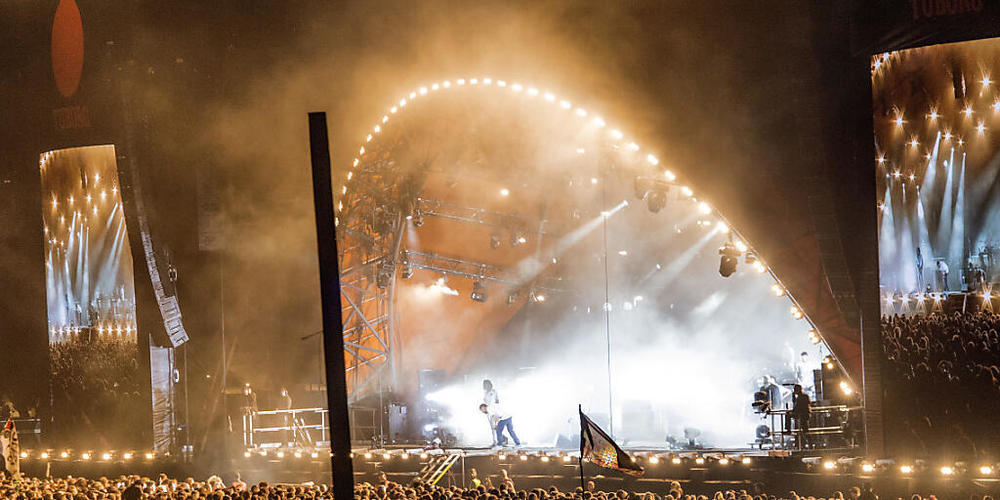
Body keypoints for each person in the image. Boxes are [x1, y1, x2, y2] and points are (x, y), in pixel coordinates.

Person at [790, 384, 811, 449]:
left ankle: (808, 443)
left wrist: (793, 412)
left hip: (803, 414)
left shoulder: (802, 397)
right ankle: (807, 443)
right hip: (803, 414)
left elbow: (798, 406)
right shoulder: (803, 396)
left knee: (805, 429)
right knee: (804, 430)